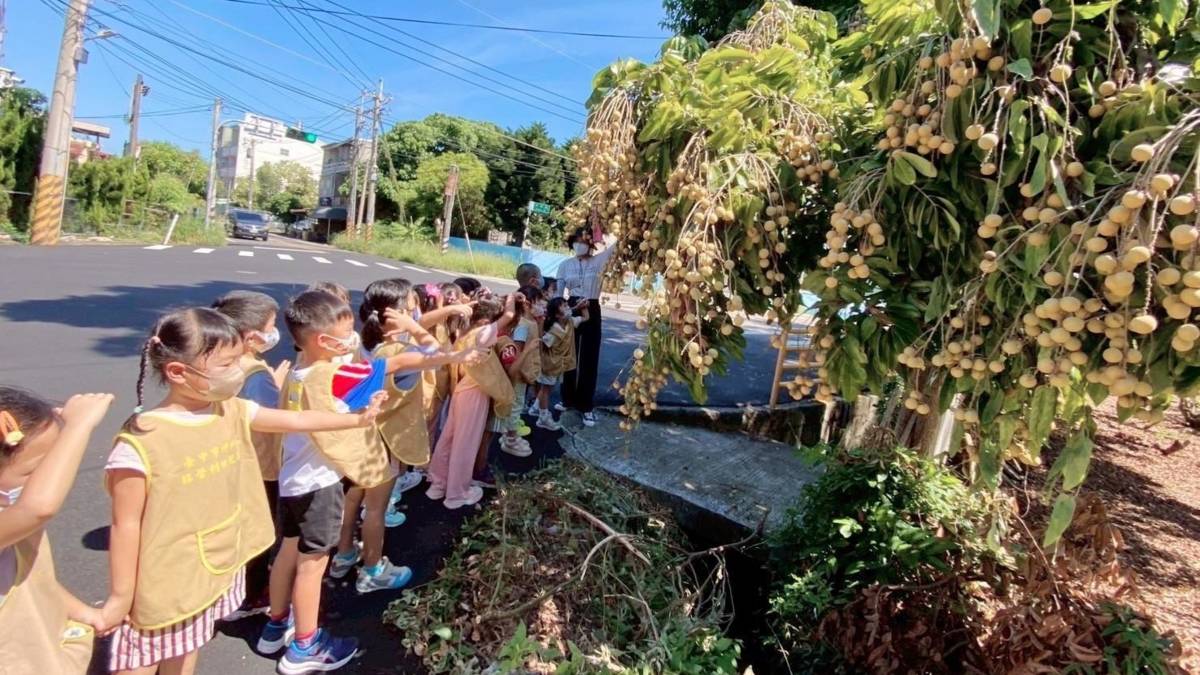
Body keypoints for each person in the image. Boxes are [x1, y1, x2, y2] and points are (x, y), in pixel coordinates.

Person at [101, 307, 382, 675]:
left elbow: (295, 420)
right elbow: (126, 526)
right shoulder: (142, 442)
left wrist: (356, 419)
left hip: (211, 570)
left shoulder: (229, 409)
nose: (238, 371)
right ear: (177, 372)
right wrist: (122, 597)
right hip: (160, 583)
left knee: (187, 652)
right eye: (227, 364)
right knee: (141, 661)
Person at [260, 291, 478, 673]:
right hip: (318, 486)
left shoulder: (300, 371)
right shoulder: (334, 376)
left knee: (288, 553)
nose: (352, 341)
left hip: (291, 481)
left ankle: (275, 624)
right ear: (323, 341)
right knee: (313, 566)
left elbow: (388, 360)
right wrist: (450, 355)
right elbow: (395, 363)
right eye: (346, 335)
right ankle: (304, 646)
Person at [328, 281, 475, 593]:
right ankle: (372, 569)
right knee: (376, 509)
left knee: (352, 498)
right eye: (411, 309)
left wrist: (419, 321)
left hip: (359, 435)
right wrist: (414, 326)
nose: (417, 312)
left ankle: (343, 554)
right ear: (397, 316)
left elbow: (419, 330)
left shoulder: (363, 343)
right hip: (384, 442)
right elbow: (435, 353)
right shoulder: (399, 352)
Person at [0, 387, 113, 672]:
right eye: (35, 471)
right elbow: (37, 508)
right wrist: (79, 426)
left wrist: (83, 612)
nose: (51, 475)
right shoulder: (18, 518)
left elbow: (31, 578)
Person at [211, 290, 290, 618]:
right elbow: (267, 419)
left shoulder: (220, 363)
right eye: (271, 326)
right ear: (251, 335)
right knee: (257, 531)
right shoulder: (256, 374)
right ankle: (248, 596)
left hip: (229, 462)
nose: (275, 333)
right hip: (260, 465)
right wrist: (277, 382)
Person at [426, 297, 515, 509]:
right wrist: (511, 298)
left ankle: (438, 484)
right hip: (474, 392)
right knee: (466, 443)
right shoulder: (482, 333)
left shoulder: (463, 330)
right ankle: (456, 494)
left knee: (449, 436)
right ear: (485, 321)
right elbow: (509, 316)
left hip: (460, 389)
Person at [556, 219, 613, 427]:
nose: (580, 244)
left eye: (584, 241)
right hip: (570, 307)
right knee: (569, 355)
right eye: (577, 241)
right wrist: (560, 313)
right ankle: (567, 399)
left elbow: (616, 246)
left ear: (590, 243)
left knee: (589, 358)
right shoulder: (564, 266)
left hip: (592, 307)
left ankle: (586, 406)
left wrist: (598, 222)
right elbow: (558, 293)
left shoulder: (598, 261)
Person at [492, 286, 545, 457]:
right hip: (520, 373)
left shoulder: (531, 322)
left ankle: (509, 434)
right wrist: (522, 372)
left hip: (525, 371)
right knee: (516, 405)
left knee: (516, 404)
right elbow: (518, 352)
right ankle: (511, 438)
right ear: (528, 304)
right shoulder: (523, 326)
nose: (543, 305)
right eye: (539, 302)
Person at [534, 297, 589, 431]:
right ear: (557, 314)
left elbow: (585, 318)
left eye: (566, 305)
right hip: (550, 364)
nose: (568, 307)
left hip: (558, 364)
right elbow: (541, 344)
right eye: (564, 306)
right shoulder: (553, 330)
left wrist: (583, 307)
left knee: (547, 389)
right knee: (546, 390)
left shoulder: (570, 321)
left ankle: (537, 407)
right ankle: (543, 417)